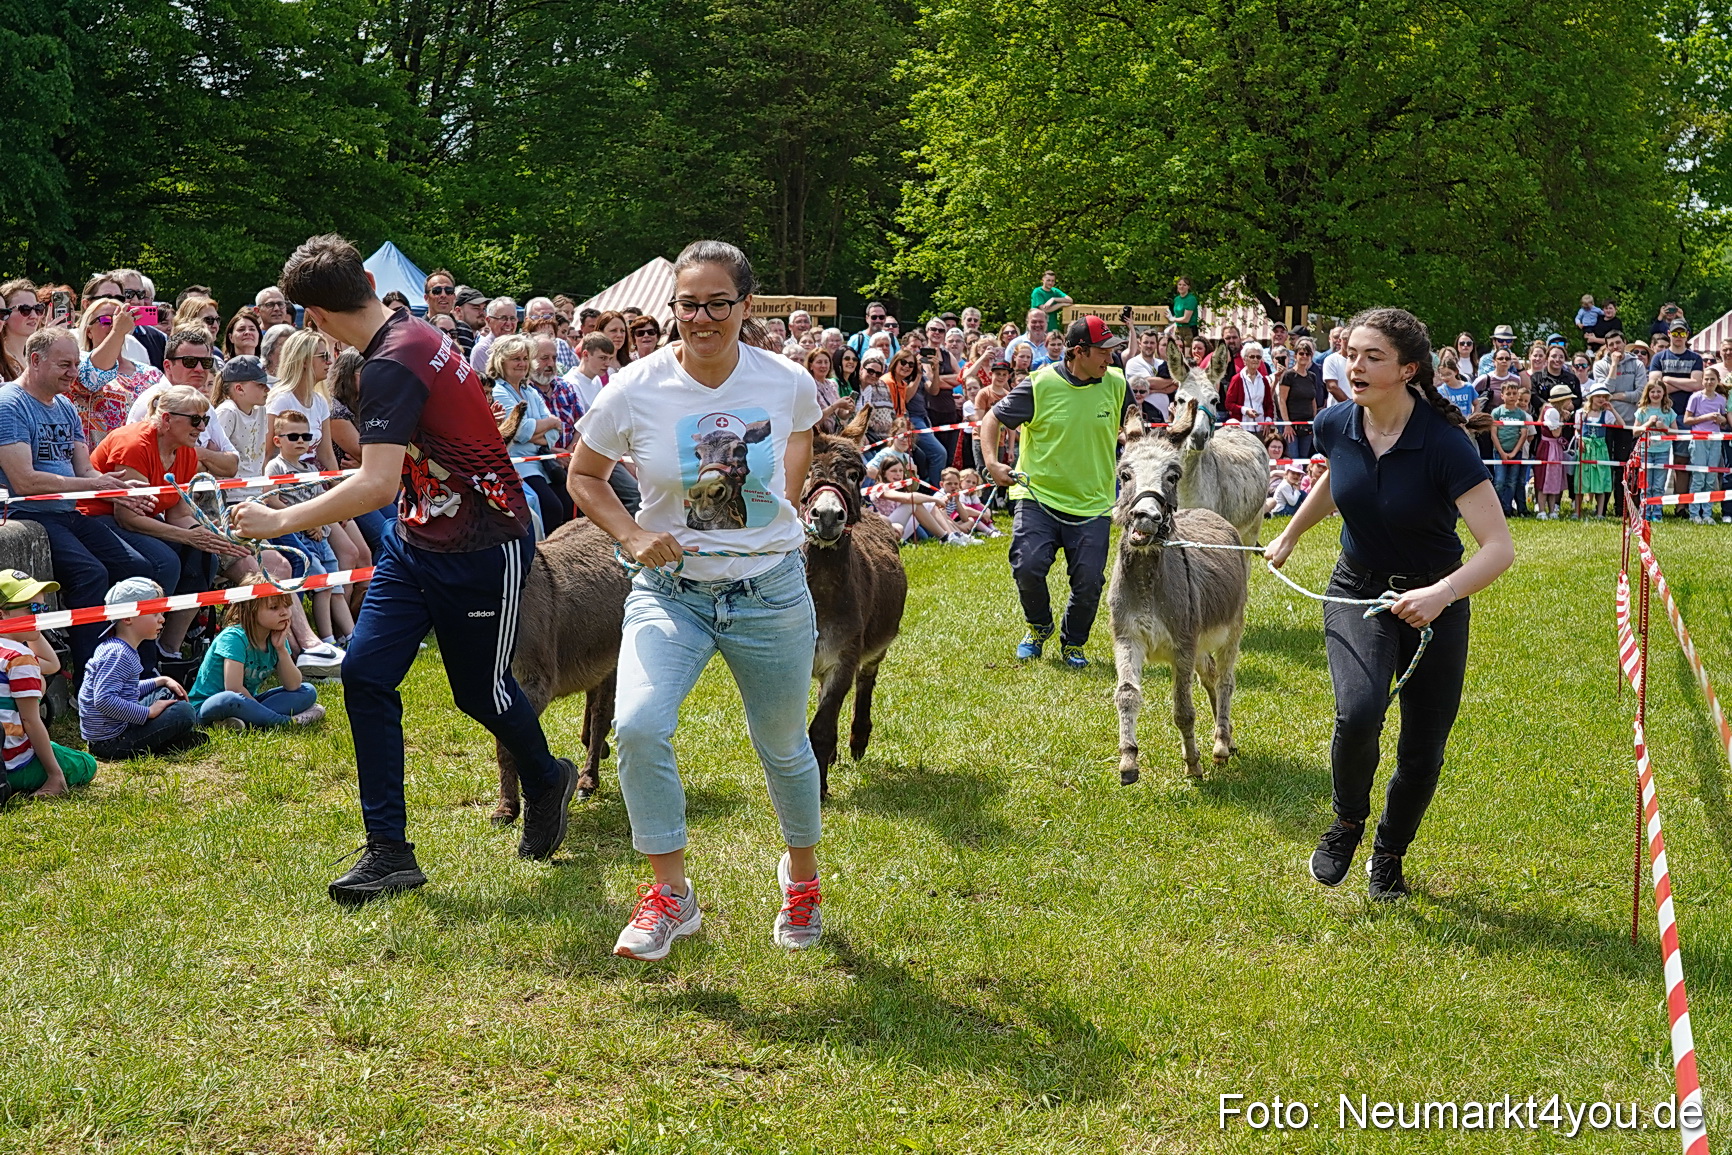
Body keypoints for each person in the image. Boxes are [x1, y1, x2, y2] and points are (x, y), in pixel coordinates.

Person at [230, 233, 579, 903]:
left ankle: (545, 776)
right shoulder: (414, 333)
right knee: (365, 675)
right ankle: (389, 850)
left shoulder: (393, 362)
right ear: (366, 281)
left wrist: (276, 522)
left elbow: (376, 483)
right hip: (416, 540)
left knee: (481, 692)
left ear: (315, 318)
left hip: (481, 546)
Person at [563, 239, 826, 961]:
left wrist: (786, 502)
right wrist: (630, 532)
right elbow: (583, 476)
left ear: (746, 305)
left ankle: (802, 880)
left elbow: (801, 435)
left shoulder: (786, 380)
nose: (702, 318)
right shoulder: (635, 387)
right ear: (671, 307)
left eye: (718, 304)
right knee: (639, 726)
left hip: (770, 591)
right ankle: (671, 895)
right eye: (688, 304)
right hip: (670, 593)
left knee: (784, 744)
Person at [1265, 307, 1512, 902]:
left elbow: (1499, 548)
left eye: (1373, 357)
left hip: (1435, 599)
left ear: (1408, 370)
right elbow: (1337, 477)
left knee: (1423, 750)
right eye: (1351, 354)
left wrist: (1441, 594)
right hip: (1357, 589)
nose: (1355, 366)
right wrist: (1292, 533)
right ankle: (1347, 821)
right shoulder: (1334, 423)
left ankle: (1389, 855)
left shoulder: (1445, 445)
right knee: (1358, 712)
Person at [0, 327, 168, 669]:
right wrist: (94, 485)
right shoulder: (9, 405)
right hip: (29, 514)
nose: (74, 372)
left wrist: (118, 490)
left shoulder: (65, 406)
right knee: (90, 574)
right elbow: (25, 481)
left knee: (138, 568)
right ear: (35, 361)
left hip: (68, 512)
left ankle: (139, 671)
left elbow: (86, 471)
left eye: (76, 364)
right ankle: (92, 677)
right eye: (65, 364)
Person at [979, 315, 1132, 669]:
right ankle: (1039, 626)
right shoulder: (1040, 384)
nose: (1110, 357)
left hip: (1093, 502)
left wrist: (1132, 440)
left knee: (1089, 582)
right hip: (1038, 497)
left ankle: (1073, 642)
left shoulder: (1116, 383)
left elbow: (1130, 424)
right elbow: (992, 419)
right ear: (1079, 351)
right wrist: (992, 462)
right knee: (1027, 566)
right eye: (1103, 351)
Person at [76, 577, 207, 759]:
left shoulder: (120, 647)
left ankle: (168, 738)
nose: (162, 619)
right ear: (128, 617)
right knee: (183, 712)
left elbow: (126, 690)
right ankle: (167, 741)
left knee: (165, 692)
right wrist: (149, 713)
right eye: (155, 614)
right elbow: (104, 700)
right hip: (110, 742)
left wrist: (161, 681)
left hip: (117, 729)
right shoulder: (119, 654)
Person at [0, 570, 97, 804]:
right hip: (11, 763)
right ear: (2, 614)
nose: (40, 616)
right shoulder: (19, 657)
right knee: (86, 764)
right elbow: (31, 721)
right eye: (32, 609)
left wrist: (30, 626)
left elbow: (51, 664)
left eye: (43, 608)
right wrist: (55, 776)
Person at [189, 579, 324, 729]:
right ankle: (285, 722)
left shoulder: (276, 636)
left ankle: (240, 722)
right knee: (230, 698)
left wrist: (281, 649)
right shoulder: (234, 637)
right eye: (274, 607)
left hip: (247, 702)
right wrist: (257, 710)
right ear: (251, 611)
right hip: (211, 705)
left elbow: (293, 685)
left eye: (286, 605)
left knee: (307, 690)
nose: (284, 612)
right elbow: (234, 688)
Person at [488, 333, 569, 535]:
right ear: (501, 362)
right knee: (552, 508)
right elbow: (519, 430)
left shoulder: (530, 391)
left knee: (569, 502)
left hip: (543, 463)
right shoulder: (498, 391)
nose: (522, 364)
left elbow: (555, 434)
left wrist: (535, 432)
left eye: (525, 358)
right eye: (516, 358)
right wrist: (549, 424)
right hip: (520, 465)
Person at [1682, 368, 1730, 524]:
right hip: (1699, 439)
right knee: (1698, 477)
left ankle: (1707, 513)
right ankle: (1694, 513)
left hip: (1715, 440)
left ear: (1717, 381)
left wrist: (1721, 420)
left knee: (1711, 478)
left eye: (1712, 379)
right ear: (1702, 381)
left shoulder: (1721, 400)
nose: (1709, 382)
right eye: (1707, 379)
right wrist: (1706, 417)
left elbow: (1724, 421)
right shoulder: (1695, 397)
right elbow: (1687, 420)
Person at [1633, 379, 1677, 522]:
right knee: (1646, 485)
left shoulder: (1668, 411)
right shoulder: (1642, 411)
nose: (1656, 394)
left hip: (1663, 451)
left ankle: (1657, 513)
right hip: (1646, 452)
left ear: (1664, 393)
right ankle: (1644, 513)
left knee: (1658, 485)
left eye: (1659, 391)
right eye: (1653, 391)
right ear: (1648, 393)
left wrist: (1663, 427)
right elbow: (1635, 431)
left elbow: (1675, 432)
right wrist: (1648, 423)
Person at [1489, 379, 1531, 517]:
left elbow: (1524, 434)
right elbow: (1493, 434)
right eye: (1508, 393)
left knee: (1512, 482)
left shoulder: (1521, 414)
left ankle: (1507, 509)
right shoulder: (1497, 412)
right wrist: (1501, 452)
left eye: (1514, 393)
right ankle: (1498, 509)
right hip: (1499, 452)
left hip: (1516, 452)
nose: (1512, 396)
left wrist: (1514, 452)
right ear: (1502, 395)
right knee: (1499, 481)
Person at [1534, 384, 1573, 519]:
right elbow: (1556, 433)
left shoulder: (1549, 409)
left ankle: (1551, 511)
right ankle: (1542, 510)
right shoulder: (1553, 412)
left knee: (1553, 479)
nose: (1570, 402)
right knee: (1546, 478)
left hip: (1552, 447)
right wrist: (1561, 419)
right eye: (1569, 399)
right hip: (1549, 448)